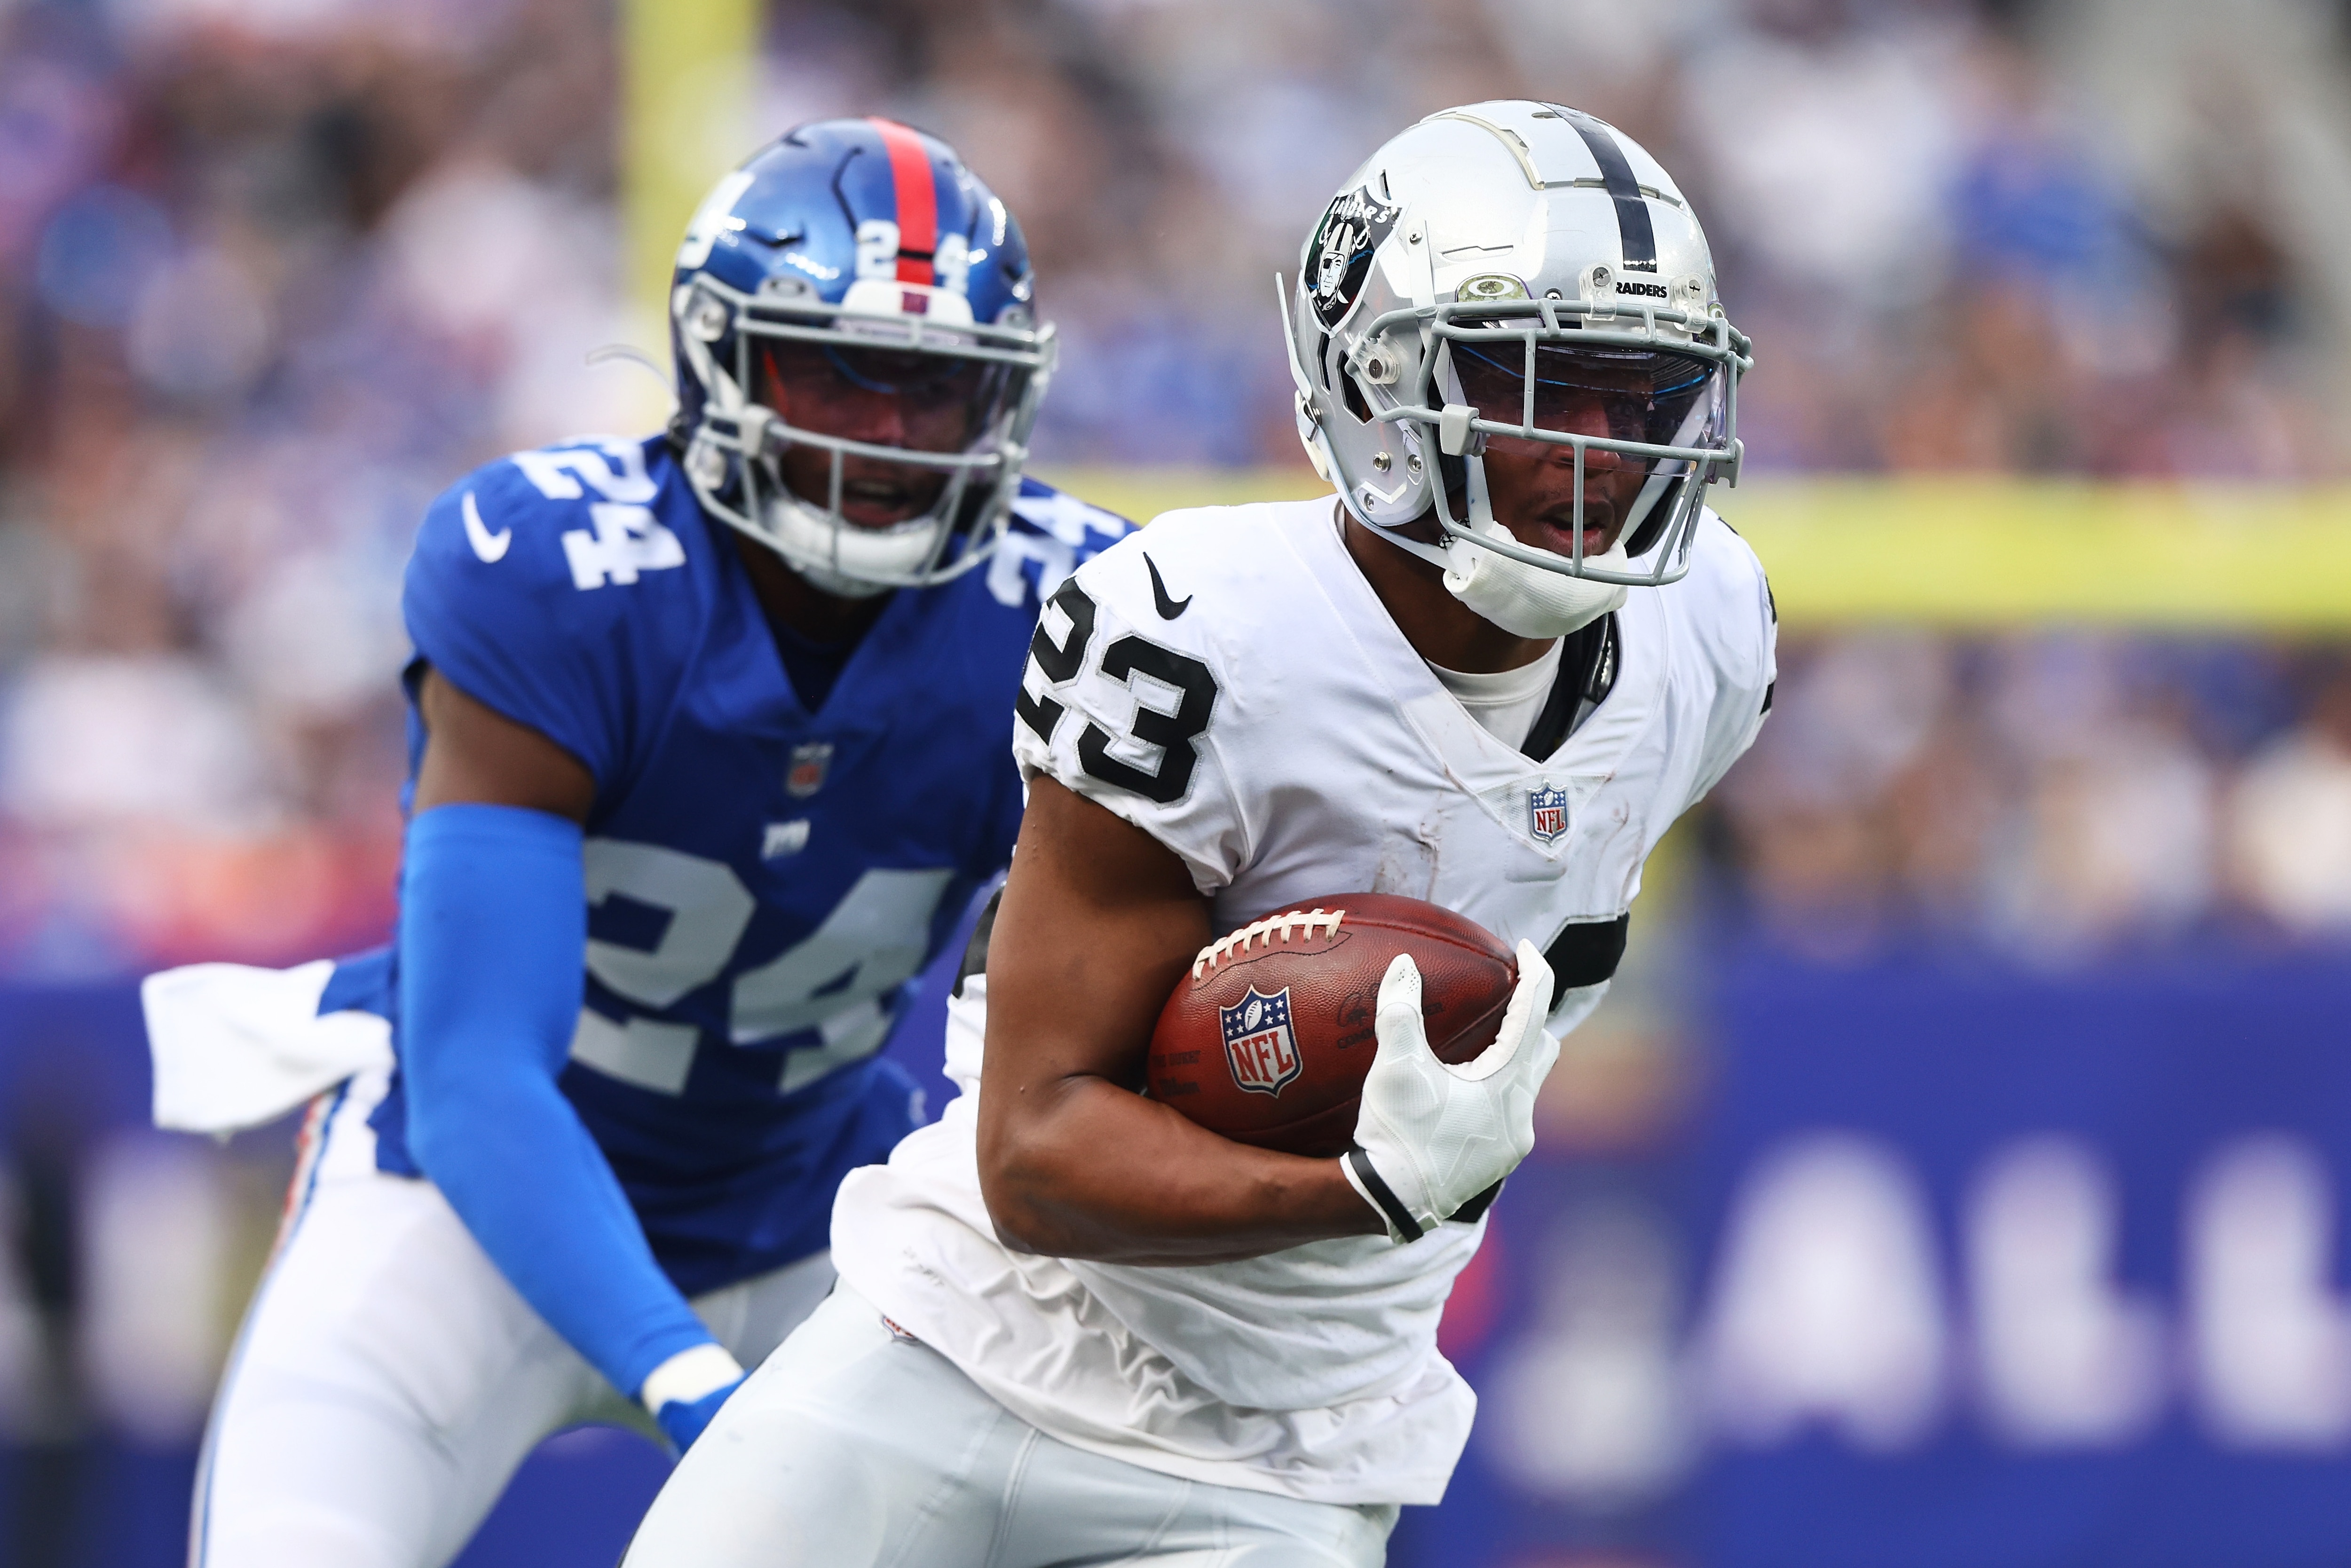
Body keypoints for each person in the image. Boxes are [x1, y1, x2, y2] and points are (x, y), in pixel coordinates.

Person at [621, 100, 1775, 1567]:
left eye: (1640, 394)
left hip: (1286, 1458)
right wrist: (1362, 1188)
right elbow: (1034, 1156)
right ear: (1378, 382)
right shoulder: (1202, 634)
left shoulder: (1712, 638)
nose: (1594, 447)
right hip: (967, 1344)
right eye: (1531, 383)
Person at [149, 118, 1129, 1568]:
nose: (886, 438)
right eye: (832, 374)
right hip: (457, 1211)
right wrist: (681, 1374)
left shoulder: (1074, 609)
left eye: (936, 392)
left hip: (822, 1218)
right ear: (718, 358)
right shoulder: (561, 577)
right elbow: (483, 1072)